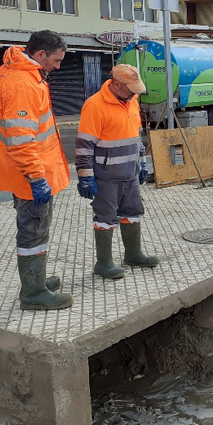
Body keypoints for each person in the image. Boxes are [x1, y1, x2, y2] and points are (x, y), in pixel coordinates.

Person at [0, 30, 73, 311]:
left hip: (24, 173)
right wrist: (37, 178)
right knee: (33, 231)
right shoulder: (22, 84)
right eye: (56, 60)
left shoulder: (12, 72)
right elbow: (22, 139)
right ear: (40, 55)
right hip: (31, 175)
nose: (58, 67)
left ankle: (37, 280)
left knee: (36, 229)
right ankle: (33, 292)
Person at [75, 64, 159, 280]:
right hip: (106, 176)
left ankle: (133, 254)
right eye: (130, 89)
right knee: (106, 217)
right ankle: (103, 263)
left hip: (130, 173)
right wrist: (85, 178)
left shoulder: (131, 102)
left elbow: (136, 137)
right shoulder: (94, 106)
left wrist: (142, 163)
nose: (133, 93)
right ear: (116, 84)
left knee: (132, 212)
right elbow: (84, 146)